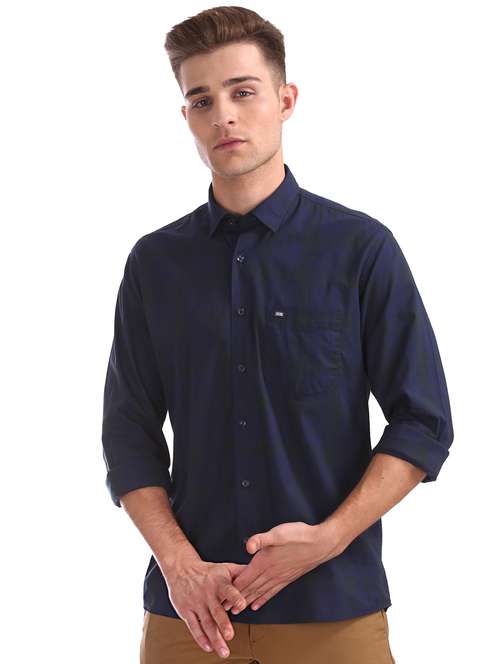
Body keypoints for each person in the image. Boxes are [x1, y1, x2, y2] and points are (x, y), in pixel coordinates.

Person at [101, 6, 454, 663]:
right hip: (192, 616)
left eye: (243, 92)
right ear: (186, 118)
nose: (223, 116)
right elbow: (128, 435)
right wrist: (180, 566)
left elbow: (423, 421)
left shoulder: (360, 249)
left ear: (285, 100)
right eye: (201, 100)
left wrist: (328, 539)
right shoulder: (155, 264)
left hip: (333, 611)